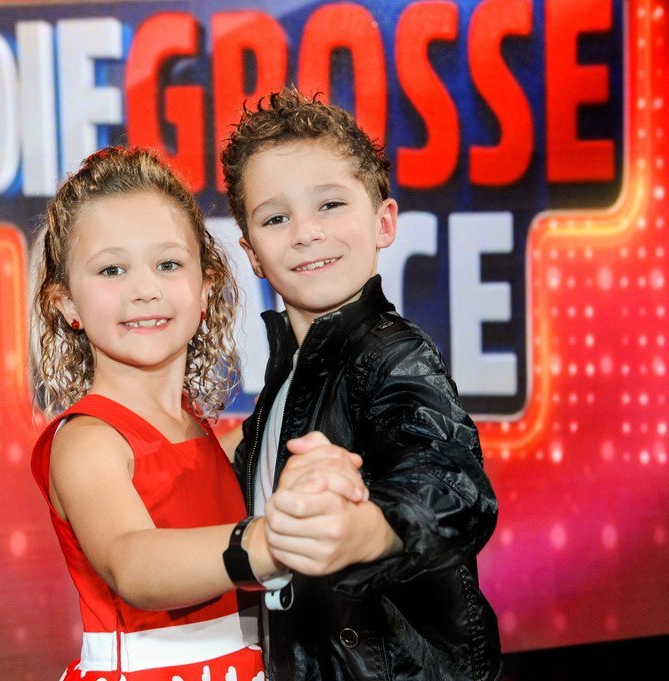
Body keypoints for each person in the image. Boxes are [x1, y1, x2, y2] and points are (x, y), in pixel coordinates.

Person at [28, 147, 367, 681]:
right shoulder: (87, 440)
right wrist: (266, 542)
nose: (145, 290)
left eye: (168, 264)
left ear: (206, 287)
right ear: (66, 302)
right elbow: (133, 562)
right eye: (112, 269)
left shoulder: (202, 437)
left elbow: (264, 446)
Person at [219, 86, 503, 681]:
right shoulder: (291, 374)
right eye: (276, 218)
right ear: (251, 252)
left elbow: (451, 482)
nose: (305, 232)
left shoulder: (393, 357)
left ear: (383, 221)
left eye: (330, 204)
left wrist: (367, 531)